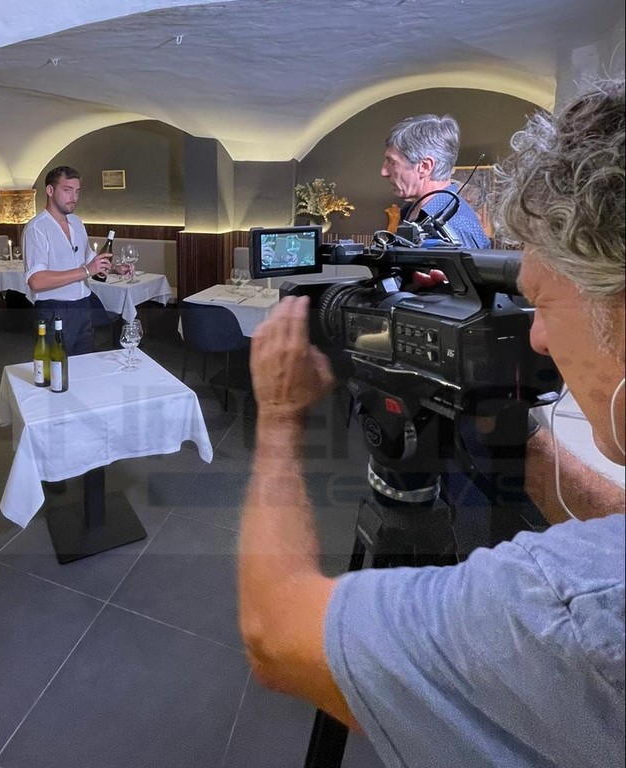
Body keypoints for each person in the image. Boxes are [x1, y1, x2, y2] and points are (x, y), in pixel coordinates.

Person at [239, 78, 625, 768]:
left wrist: (278, 418)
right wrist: (522, 441)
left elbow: (274, 635)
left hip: (442, 467)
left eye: (541, 303)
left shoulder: (564, 603)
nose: (536, 338)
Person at [22, 165, 129, 355]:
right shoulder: (37, 229)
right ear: (50, 190)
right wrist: (87, 271)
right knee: (57, 367)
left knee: (84, 364)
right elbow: (36, 281)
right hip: (54, 310)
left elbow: (88, 260)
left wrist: (114, 268)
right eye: (67, 190)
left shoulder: (77, 222)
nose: (74, 197)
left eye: (77, 191)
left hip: (83, 305)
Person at [381, 113, 491, 249]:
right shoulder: (411, 212)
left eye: (392, 162)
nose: (384, 172)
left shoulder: (457, 227)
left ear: (425, 166)